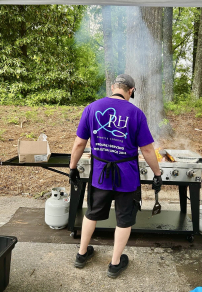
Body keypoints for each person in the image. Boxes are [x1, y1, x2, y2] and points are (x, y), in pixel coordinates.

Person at [69, 74, 162, 278]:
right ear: (131, 91)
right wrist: (157, 173)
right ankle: (114, 264)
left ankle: (81, 254)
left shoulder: (92, 108)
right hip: (127, 176)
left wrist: (72, 168)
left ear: (113, 87)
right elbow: (147, 150)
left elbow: (78, 143)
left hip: (100, 174)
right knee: (124, 219)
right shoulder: (135, 113)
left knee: (91, 212)